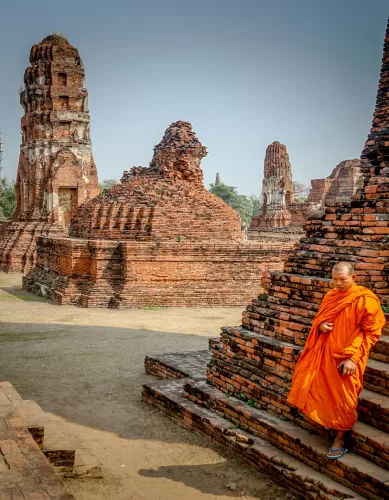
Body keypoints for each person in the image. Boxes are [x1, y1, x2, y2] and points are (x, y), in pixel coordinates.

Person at [287, 261, 386, 460]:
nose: (338, 284)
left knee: (345, 396)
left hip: (348, 356)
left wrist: (352, 358)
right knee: (319, 388)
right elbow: (319, 320)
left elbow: (371, 333)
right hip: (326, 352)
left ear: (354, 278)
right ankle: (328, 423)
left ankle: (340, 437)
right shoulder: (331, 296)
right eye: (335, 279)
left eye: (343, 279)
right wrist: (321, 326)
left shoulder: (366, 300)